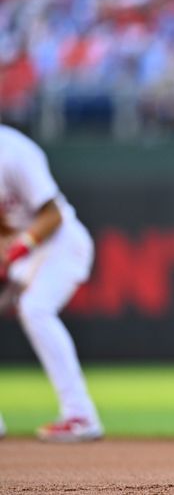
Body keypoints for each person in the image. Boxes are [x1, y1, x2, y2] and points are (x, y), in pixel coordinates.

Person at [0, 124, 103, 443]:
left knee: (35, 309)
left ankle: (81, 416)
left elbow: (53, 213)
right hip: (26, 250)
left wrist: (16, 251)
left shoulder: (13, 150)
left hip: (62, 243)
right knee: (32, 309)